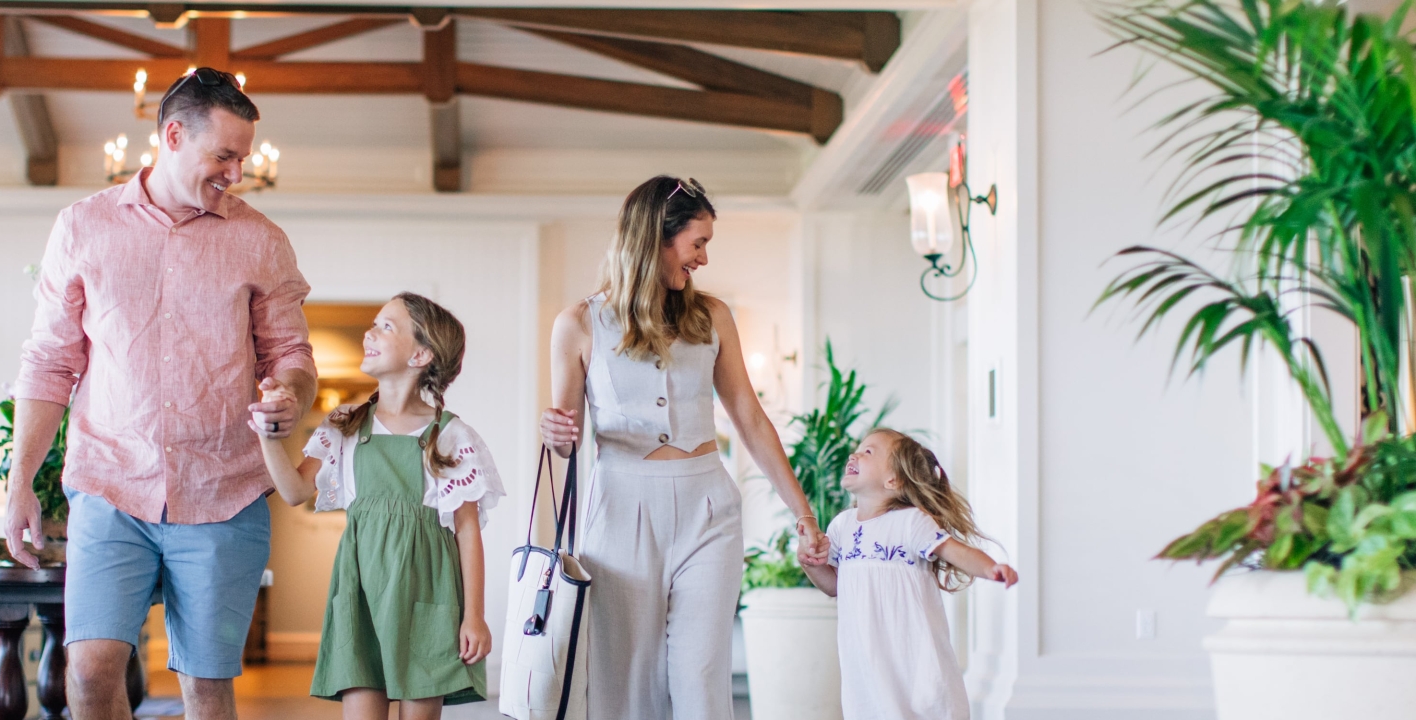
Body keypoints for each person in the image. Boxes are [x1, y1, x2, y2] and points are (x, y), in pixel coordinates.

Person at [3, 67, 317, 720]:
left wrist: (290, 394)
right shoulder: (83, 227)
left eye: (243, 159)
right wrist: (20, 482)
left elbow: (293, 358)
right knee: (88, 675)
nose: (236, 173)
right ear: (173, 135)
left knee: (206, 689)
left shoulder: (261, 241)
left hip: (224, 492)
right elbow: (49, 362)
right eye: (224, 156)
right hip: (110, 484)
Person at [539, 175, 831, 720]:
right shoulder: (578, 324)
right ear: (656, 237)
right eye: (697, 243)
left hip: (707, 506)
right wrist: (555, 433)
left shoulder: (712, 316)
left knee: (699, 674)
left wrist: (803, 512)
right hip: (622, 508)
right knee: (626, 678)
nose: (701, 258)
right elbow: (566, 436)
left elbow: (749, 416)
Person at [255, 292, 504, 720]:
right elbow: (295, 490)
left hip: (431, 596)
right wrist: (267, 434)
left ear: (421, 354)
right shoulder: (345, 424)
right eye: (374, 323)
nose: (370, 332)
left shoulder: (450, 434)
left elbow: (467, 533)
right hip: (362, 595)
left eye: (386, 326)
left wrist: (475, 616)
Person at [800, 429, 1017, 720]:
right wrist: (812, 565)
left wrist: (990, 567)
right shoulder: (842, 526)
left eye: (868, 452)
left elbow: (955, 551)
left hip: (913, 657)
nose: (854, 454)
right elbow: (835, 586)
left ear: (893, 480)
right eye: (858, 449)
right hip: (866, 663)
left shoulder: (911, 522)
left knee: (923, 709)